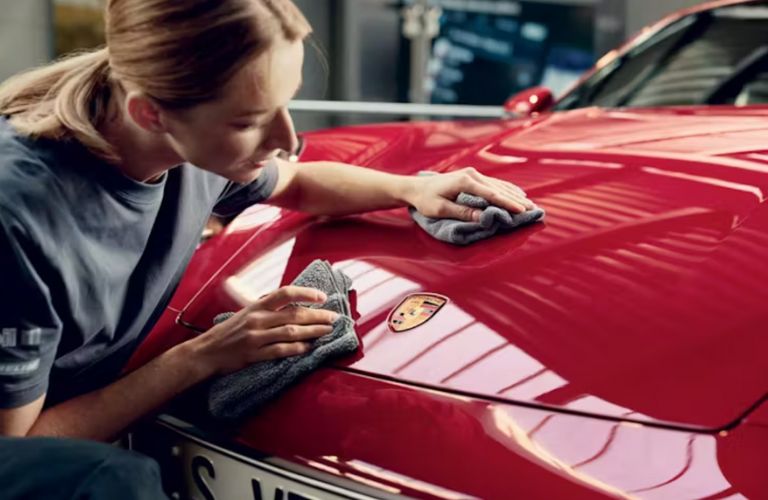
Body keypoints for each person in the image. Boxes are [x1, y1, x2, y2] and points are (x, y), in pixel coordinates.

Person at [0, 0, 532, 497]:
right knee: (120, 481)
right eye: (249, 121)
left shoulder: (186, 144)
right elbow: (23, 449)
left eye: (285, 103)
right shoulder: (18, 216)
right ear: (150, 114)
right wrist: (199, 357)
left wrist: (411, 188)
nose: (288, 137)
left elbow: (298, 183)